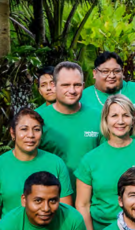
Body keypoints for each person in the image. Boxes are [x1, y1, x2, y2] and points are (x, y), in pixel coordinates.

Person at [75, 95, 135, 230]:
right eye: (114, 116)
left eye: (125, 115)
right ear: (105, 120)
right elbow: (82, 205)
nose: (120, 121)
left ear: (133, 119)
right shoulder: (90, 159)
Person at [0, 108, 73, 230]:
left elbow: (66, 211)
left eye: (36, 129)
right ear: (13, 133)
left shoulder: (56, 163)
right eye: (24, 129)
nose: (31, 135)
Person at [38, 62, 102, 190]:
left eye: (77, 85)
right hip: (52, 195)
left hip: (92, 196)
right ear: (54, 85)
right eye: (65, 85)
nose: (72, 90)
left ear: (83, 86)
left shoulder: (98, 117)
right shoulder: (38, 119)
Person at [80, 52, 135, 121]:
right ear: (95, 73)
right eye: (105, 71)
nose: (111, 76)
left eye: (116, 71)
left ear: (122, 72)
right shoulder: (82, 97)